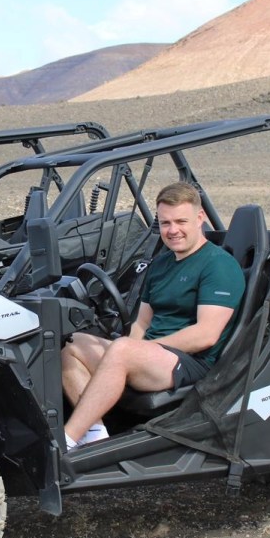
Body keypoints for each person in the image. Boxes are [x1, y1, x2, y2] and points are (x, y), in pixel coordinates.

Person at [61, 182, 245, 450]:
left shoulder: (219, 265)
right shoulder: (161, 263)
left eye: (181, 221)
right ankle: (95, 436)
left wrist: (138, 348)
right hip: (152, 354)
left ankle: (66, 440)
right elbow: (142, 322)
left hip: (190, 363)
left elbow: (206, 335)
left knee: (123, 349)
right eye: (165, 223)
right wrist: (133, 345)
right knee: (72, 344)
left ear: (200, 218)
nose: (173, 230)